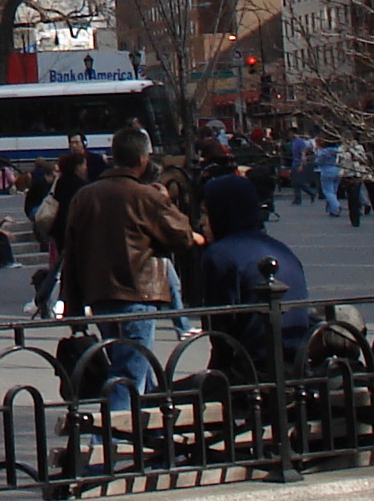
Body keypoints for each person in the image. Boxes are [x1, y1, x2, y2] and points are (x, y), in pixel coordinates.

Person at [54, 126, 199, 413]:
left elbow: (70, 253)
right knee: (128, 372)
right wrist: (166, 200)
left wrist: (72, 303)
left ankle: (148, 431)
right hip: (138, 295)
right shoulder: (146, 196)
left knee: (134, 365)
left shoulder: (85, 196)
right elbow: (182, 236)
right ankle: (108, 438)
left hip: (100, 295)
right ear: (143, 160)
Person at [191, 176, 312, 374]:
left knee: (162, 398)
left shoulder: (221, 254)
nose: (202, 222)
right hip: (296, 364)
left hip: (254, 370)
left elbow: (220, 331)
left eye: (205, 213)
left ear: (223, 213)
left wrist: (216, 374)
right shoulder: (279, 248)